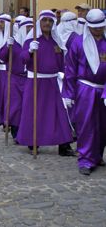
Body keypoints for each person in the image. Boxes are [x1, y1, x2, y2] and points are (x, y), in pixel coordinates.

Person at [16, 10, 74, 156]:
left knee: (59, 113)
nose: (47, 23)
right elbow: (22, 58)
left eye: (50, 21)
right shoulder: (32, 40)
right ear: (39, 22)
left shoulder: (56, 41)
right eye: (45, 20)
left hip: (53, 82)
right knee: (34, 112)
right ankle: (32, 140)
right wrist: (29, 51)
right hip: (36, 81)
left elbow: (61, 61)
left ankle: (64, 144)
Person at [63, 9, 106, 175]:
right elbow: (70, 69)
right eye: (95, 27)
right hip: (85, 89)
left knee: (102, 126)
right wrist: (68, 93)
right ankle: (85, 159)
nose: (98, 30)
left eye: (101, 27)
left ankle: (97, 155)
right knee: (86, 125)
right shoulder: (78, 43)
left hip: (103, 89)